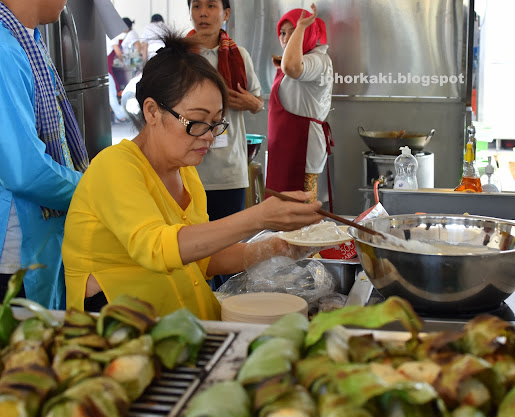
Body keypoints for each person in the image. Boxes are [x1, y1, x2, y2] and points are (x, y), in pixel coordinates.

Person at [62, 33, 322, 320]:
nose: (209, 136)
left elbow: (203, 260)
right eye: (197, 121)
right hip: (124, 331)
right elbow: (156, 247)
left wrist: (279, 247)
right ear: (152, 111)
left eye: (215, 122)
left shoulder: (185, 172)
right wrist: (258, 217)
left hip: (183, 324)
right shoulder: (114, 166)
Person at [0, 0, 89, 307]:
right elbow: (25, 171)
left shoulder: (26, 41)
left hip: (37, 240)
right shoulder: (4, 50)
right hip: (15, 253)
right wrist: (94, 190)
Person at [187, 0, 264, 222]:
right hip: (188, 169)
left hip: (229, 170)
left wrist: (250, 103)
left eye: (211, 6)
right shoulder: (179, 57)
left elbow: (258, 103)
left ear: (226, 13)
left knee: (230, 237)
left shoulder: (239, 55)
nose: (203, 13)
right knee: (190, 236)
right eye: (196, 6)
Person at [266, 3, 333, 204]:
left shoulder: (317, 60)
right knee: (281, 207)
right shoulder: (301, 58)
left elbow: (292, 67)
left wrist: (302, 26)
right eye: (283, 33)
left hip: (303, 146)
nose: (286, 38)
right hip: (285, 145)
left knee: (301, 208)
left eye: (293, 31)